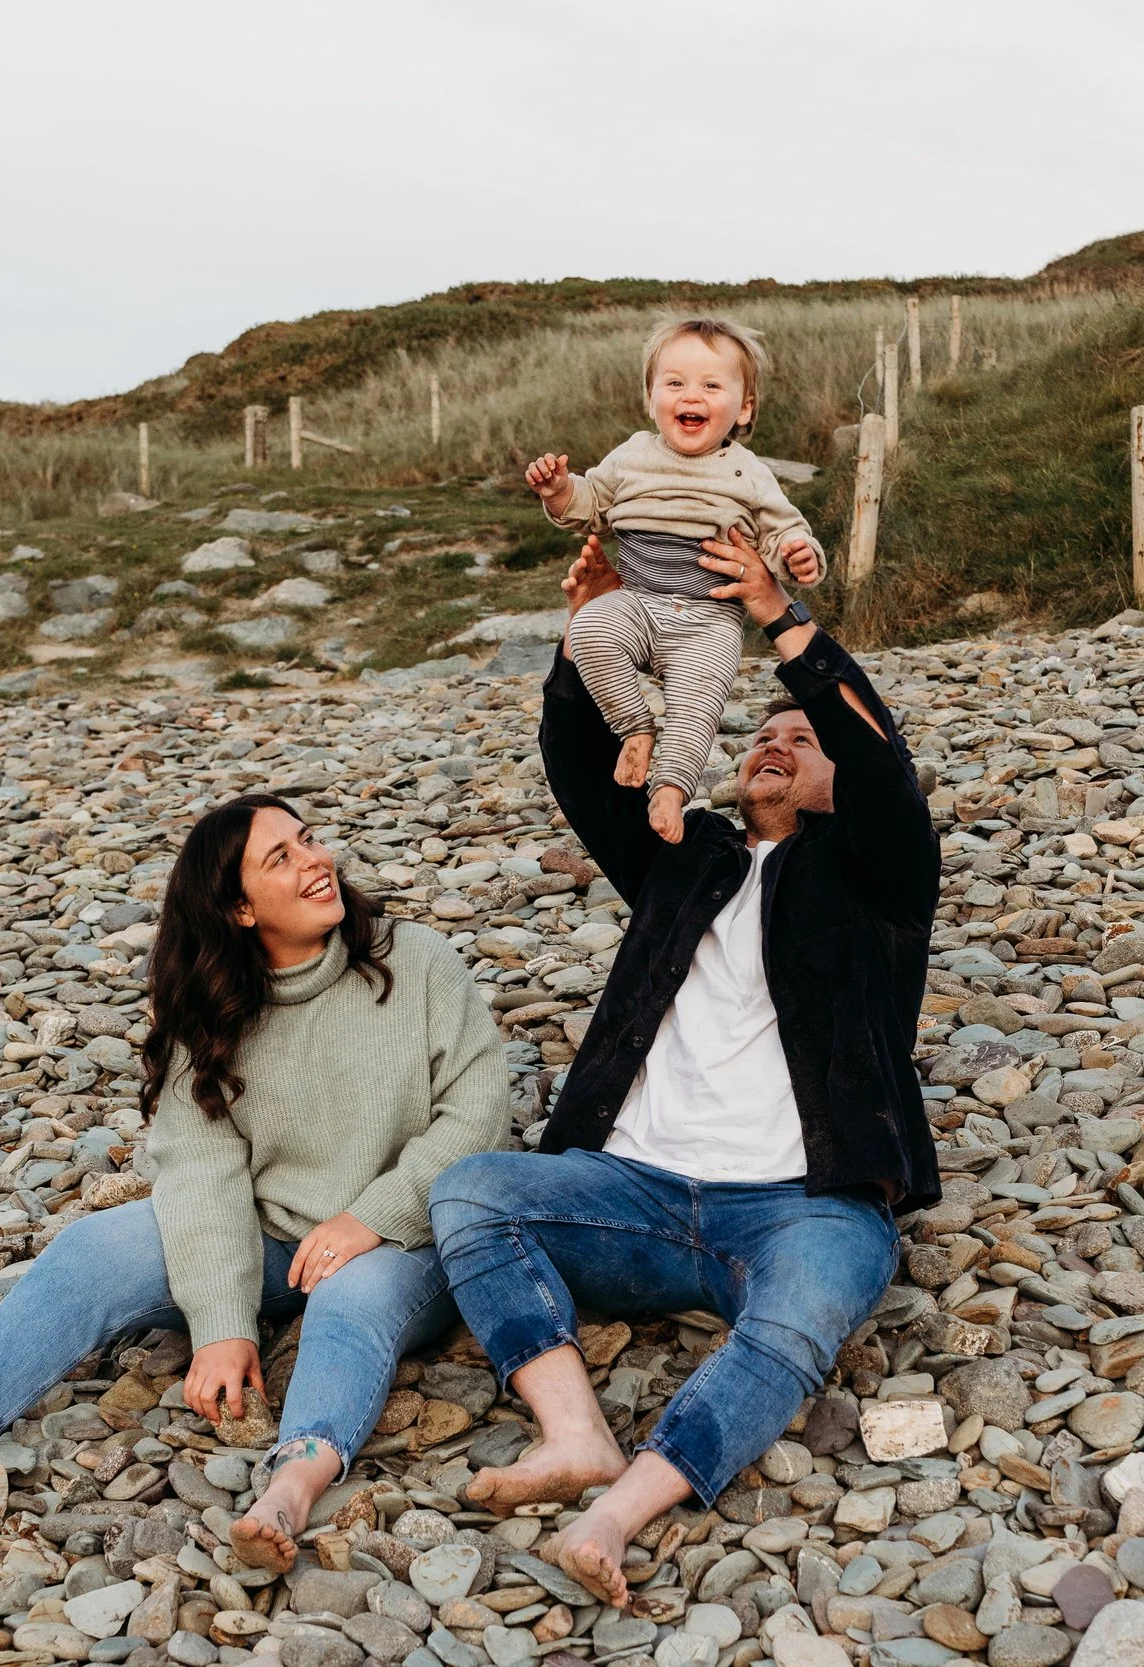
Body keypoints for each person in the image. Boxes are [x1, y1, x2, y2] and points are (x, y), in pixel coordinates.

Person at [428, 527, 941, 1606]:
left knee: (808, 1308)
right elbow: (575, 762)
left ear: (842, 780)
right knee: (474, 1191)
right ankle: (573, 1435)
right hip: (633, 1191)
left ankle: (624, 1508)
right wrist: (592, 632)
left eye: (802, 738)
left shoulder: (879, 877)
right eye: (760, 728)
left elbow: (882, 759)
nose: (773, 740)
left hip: (802, 1204)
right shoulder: (685, 856)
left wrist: (781, 624)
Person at [0, 794, 509, 1571]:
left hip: (410, 1238)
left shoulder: (419, 961)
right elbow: (201, 1175)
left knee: (351, 1297)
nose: (317, 860)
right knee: (93, 1246)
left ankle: (293, 1484)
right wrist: (223, 1322)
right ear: (238, 909)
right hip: (275, 1237)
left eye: (309, 840)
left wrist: (369, 1216)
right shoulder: (211, 1011)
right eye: (283, 857)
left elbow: (478, 1119)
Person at [523, 316, 827, 845]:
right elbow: (590, 504)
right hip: (637, 598)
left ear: (744, 407)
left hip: (709, 617)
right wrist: (557, 491)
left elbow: (783, 529)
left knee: (697, 701)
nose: (693, 395)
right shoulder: (632, 455)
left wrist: (799, 554)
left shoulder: (748, 471)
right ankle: (635, 728)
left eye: (712, 385)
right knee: (591, 626)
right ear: (651, 397)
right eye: (676, 382)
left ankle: (672, 788)